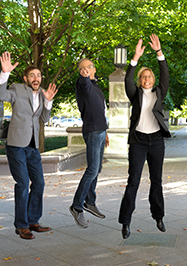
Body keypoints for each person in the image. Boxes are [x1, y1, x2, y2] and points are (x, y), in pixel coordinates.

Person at [0, 52, 58, 240]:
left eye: (38, 75)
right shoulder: (17, 89)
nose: (36, 78)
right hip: (16, 145)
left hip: (33, 147)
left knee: (39, 183)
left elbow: (44, 119)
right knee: (22, 184)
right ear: (25, 78)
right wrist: (4, 74)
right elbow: (0, 94)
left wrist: (48, 102)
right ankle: (21, 226)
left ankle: (33, 221)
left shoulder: (43, 93)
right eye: (32, 75)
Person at [118, 34, 171, 239]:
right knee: (134, 181)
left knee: (156, 181)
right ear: (140, 81)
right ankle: (125, 222)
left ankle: (158, 216)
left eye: (149, 76)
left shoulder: (160, 92)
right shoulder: (135, 94)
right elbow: (127, 80)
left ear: (153, 80)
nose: (146, 79)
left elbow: (165, 74)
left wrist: (159, 53)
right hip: (139, 142)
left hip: (156, 141)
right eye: (143, 77)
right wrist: (135, 59)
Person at [69, 58, 109, 228]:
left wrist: (106, 132)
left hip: (100, 130)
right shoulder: (82, 84)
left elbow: (101, 110)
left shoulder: (96, 85)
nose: (85, 70)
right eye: (82, 68)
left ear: (94, 68)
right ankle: (77, 206)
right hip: (92, 131)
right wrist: (84, 78)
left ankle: (89, 202)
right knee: (92, 169)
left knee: (97, 168)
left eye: (88, 67)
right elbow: (84, 84)